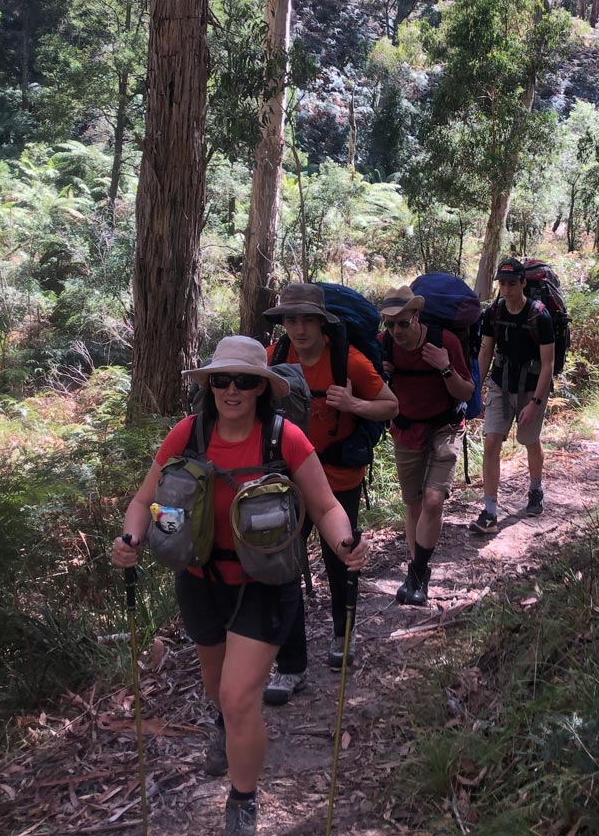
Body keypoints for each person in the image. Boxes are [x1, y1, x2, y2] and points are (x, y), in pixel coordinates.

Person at [111, 336, 370, 836]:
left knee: (236, 696)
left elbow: (325, 505)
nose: (231, 390)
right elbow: (144, 502)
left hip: (264, 583)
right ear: (209, 386)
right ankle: (228, 729)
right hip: (200, 579)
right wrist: (130, 538)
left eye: (244, 381)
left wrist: (345, 543)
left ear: (260, 389)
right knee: (218, 691)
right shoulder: (186, 435)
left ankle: (243, 799)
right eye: (222, 380)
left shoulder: (284, 438)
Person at [260, 283, 399, 706]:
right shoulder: (275, 359)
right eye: (291, 319)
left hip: (339, 477)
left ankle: (343, 635)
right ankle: (291, 665)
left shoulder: (349, 361)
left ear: (323, 324)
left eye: (306, 320)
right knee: (282, 565)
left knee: (342, 558)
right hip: (286, 480)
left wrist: (354, 405)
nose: (298, 329)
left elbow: (390, 406)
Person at [378, 285, 474, 606]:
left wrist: (444, 366)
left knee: (433, 500)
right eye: (390, 325)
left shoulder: (444, 342)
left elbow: (466, 392)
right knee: (414, 504)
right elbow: (371, 390)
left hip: (445, 428)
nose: (397, 331)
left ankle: (418, 574)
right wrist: (381, 374)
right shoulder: (385, 347)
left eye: (403, 323)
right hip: (406, 431)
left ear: (416, 316)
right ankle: (416, 574)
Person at [470, 260, 558, 534]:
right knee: (492, 442)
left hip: (532, 387)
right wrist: (476, 389)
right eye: (502, 284)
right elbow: (485, 352)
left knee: (529, 440)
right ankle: (490, 511)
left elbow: (548, 365)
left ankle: (535, 489)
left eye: (511, 284)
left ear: (523, 283)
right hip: (500, 384)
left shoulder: (539, 316)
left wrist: (536, 403)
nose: (506, 289)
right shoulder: (494, 312)